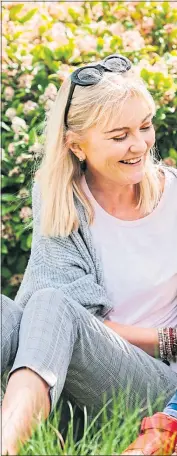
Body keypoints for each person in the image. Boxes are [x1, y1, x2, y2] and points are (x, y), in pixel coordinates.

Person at [2, 53, 177, 455]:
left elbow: (59, 316)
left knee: (52, 306)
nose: (140, 145)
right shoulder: (62, 199)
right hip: (73, 385)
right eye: (119, 136)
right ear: (76, 145)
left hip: (158, 390)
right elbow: (50, 322)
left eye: (145, 127)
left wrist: (167, 343)